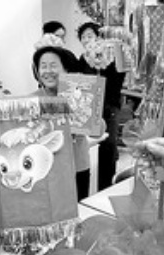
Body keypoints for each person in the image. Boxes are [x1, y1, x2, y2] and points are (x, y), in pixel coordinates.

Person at [31, 45, 107, 200]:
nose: (47, 71)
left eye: (53, 66)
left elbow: (98, 131)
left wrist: (89, 117)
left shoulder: (79, 94)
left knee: (77, 208)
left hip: (77, 166)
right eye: (43, 66)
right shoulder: (31, 100)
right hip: (46, 168)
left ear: (67, 69)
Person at [76, 21, 126, 191]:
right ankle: (91, 185)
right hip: (89, 108)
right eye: (83, 37)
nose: (86, 39)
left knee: (108, 146)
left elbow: (119, 76)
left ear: (99, 37)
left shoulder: (112, 56)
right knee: (91, 146)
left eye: (90, 35)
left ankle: (105, 187)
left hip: (108, 106)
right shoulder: (83, 59)